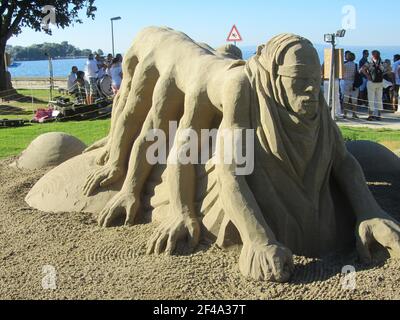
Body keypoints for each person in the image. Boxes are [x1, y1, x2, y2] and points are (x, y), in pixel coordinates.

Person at [361, 50, 384, 121]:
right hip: (380, 82)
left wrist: (368, 76)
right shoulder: (382, 62)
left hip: (371, 82)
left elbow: (362, 69)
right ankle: (379, 115)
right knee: (379, 99)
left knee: (371, 99)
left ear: (373, 55)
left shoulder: (369, 62)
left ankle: (370, 115)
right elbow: (387, 69)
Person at [341, 52, 359, 119]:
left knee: (345, 100)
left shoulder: (344, 65)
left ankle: (345, 114)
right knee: (354, 100)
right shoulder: (356, 65)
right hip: (354, 83)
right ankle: (354, 113)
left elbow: (341, 75)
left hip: (346, 83)